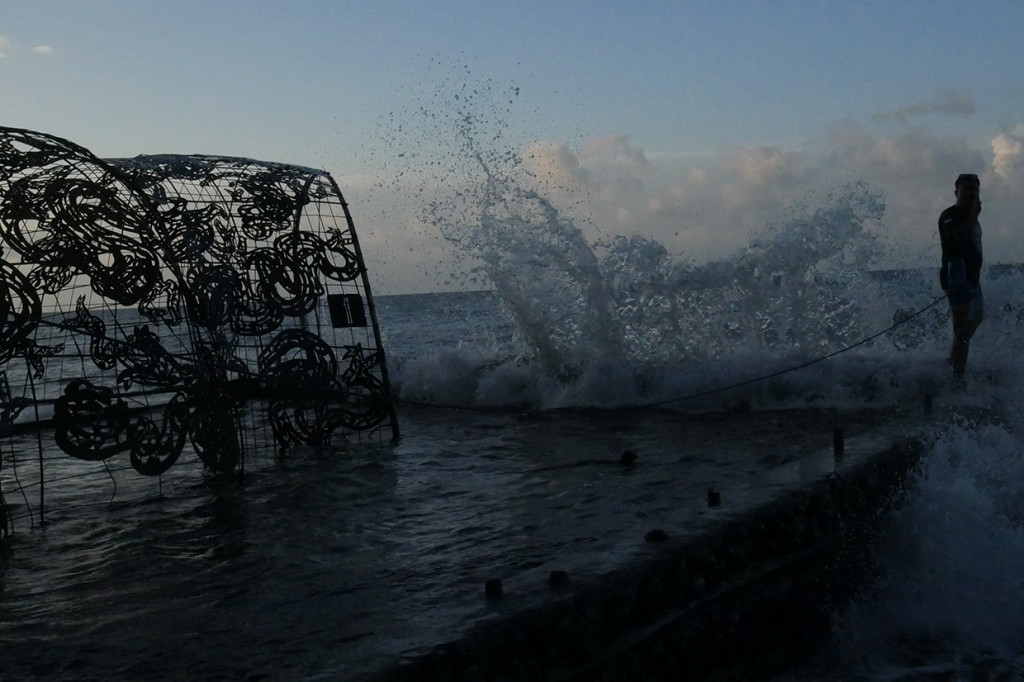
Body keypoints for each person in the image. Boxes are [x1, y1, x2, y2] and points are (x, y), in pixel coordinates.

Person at [938, 173, 983, 387]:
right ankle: (957, 379)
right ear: (956, 191)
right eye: (967, 189)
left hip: (972, 279)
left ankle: (952, 360)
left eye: (975, 190)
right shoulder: (951, 215)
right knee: (963, 330)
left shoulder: (972, 218)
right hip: (957, 278)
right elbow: (960, 237)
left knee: (977, 317)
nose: (971, 194)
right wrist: (974, 212)